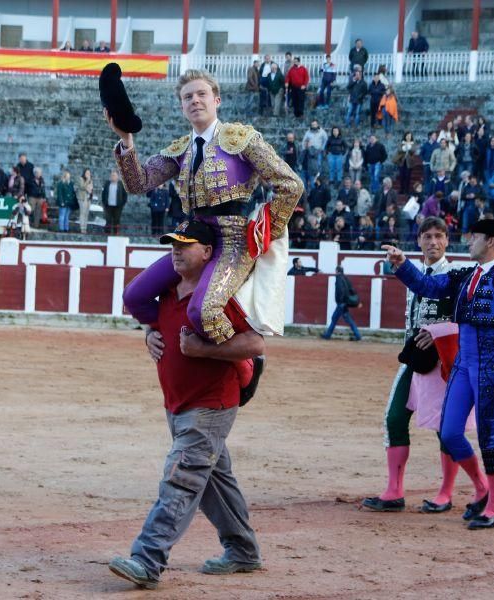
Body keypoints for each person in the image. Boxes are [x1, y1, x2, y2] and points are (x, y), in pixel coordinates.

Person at [108, 220, 264, 590]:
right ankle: (243, 550)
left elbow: (255, 345)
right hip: (177, 403)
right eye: (173, 244)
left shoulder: (220, 298)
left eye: (186, 244)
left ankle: (148, 559)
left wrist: (202, 349)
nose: (176, 250)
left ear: (208, 253)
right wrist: (148, 334)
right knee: (212, 482)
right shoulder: (166, 292)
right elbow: (154, 322)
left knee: (181, 479)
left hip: (210, 405)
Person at [111, 68, 302, 346]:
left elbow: (291, 185)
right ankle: (168, 331)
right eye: (188, 97)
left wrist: (263, 232)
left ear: (217, 101)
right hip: (193, 241)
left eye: (202, 94)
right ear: (182, 106)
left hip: (235, 242)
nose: (195, 101)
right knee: (134, 297)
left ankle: (244, 362)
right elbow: (139, 183)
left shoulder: (242, 139)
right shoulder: (180, 149)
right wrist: (127, 141)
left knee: (205, 311)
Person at [384, 219, 494, 528]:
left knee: (488, 435)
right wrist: (403, 264)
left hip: (489, 365)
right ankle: (483, 491)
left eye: (474, 237)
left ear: (490, 242)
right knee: (449, 432)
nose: (468, 241)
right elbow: (427, 286)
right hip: (462, 365)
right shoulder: (465, 276)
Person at [363, 217, 464, 513]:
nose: (433, 242)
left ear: (447, 241)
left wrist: (438, 335)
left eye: (438, 236)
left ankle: (446, 492)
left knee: (446, 429)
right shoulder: (415, 274)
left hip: (445, 363)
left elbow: (462, 322)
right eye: (427, 237)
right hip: (414, 360)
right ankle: (394, 491)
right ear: (419, 241)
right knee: (394, 418)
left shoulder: (456, 275)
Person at [320, 266, 361, 341]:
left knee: (340, 319)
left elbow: (340, 291)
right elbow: (352, 289)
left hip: (341, 303)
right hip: (344, 303)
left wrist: (341, 301)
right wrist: (357, 301)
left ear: (337, 271)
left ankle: (327, 335)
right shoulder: (346, 278)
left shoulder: (338, 278)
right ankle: (328, 335)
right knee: (336, 318)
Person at [100, 169, 127, 235]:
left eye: (114, 175)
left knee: (116, 220)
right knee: (108, 219)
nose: (113, 177)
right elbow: (103, 194)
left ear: (117, 176)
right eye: (112, 175)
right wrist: (104, 202)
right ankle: (107, 232)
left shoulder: (121, 185)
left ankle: (116, 232)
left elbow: (125, 195)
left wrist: (122, 204)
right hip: (108, 205)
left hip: (118, 205)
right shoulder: (107, 184)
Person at [77, 168, 95, 234]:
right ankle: (82, 228)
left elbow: (91, 188)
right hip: (82, 198)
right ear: (84, 173)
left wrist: (90, 188)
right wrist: (87, 180)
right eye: (87, 173)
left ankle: (85, 228)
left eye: (89, 173)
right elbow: (82, 187)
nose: (88, 174)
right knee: (82, 213)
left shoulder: (91, 180)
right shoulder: (81, 179)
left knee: (86, 214)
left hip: (88, 198)